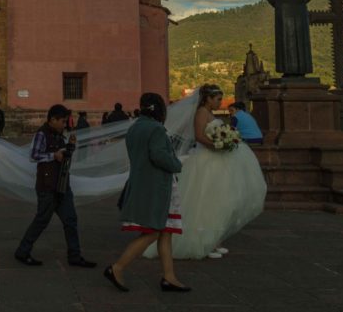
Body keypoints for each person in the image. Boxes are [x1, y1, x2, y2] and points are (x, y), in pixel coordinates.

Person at [156, 84, 266, 260]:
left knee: (219, 202)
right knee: (206, 202)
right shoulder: (201, 112)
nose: (220, 103)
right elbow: (199, 135)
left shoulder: (209, 113)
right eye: (217, 99)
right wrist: (218, 144)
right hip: (206, 160)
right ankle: (203, 242)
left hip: (215, 160)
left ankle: (214, 240)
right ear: (207, 99)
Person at [105, 92, 188, 294]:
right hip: (157, 185)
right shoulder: (157, 129)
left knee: (164, 232)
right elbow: (159, 155)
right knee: (154, 230)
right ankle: (117, 267)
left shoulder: (135, 128)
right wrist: (177, 164)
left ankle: (169, 276)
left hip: (142, 183)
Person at [13, 104, 96, 268]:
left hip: (62, 183)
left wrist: (70, 146)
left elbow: (64, 157)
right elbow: (34, 156)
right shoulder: (41, 134)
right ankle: (22, 251)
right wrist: (53, 155)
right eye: (63, 121)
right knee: (42, 220)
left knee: (70, 219)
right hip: (47, 185)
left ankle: (75, 255)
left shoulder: (59, 135)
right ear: (52, 119)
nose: (65, 125)